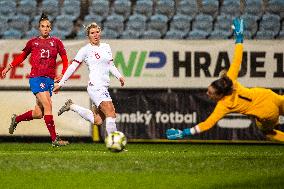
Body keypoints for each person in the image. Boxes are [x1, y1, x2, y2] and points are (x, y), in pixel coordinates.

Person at [166, 18, 284, 142]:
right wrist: (239, 37)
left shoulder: (224, 105)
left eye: (211, 93)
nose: (207, 94)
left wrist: (183, 133)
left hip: (266, 113)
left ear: (220, 94)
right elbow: (237, 58)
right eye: (208, 91)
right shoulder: (230, 79)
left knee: (267, 132)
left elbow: (207, 124)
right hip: (268, 96)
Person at [1, 13, 69, 147]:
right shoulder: (33, 42)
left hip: (49, 80)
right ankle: (54, 139)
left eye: (47, 26)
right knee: (48, 105)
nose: (45, 28)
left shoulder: (56, 42)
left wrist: (63, 74)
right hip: (36, 78)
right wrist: (8, 67)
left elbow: (65, 59)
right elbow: (22, 57)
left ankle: (17, 119)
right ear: (39, 28)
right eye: (43, 26)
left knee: (38, 113)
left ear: (50, 28)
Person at [53, 22, 125, 136]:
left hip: (103, 86)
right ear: (88, 36)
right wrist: (61, 83)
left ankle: (71, 106)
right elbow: (73, 66)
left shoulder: (106, 47)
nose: (95, 35)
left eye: (97, 32)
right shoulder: (85, 50)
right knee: (111, 112)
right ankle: (114, 142)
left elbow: (110, 65)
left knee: (98, 120)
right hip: (96, 87)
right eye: (92, 33)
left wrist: (119, 76)